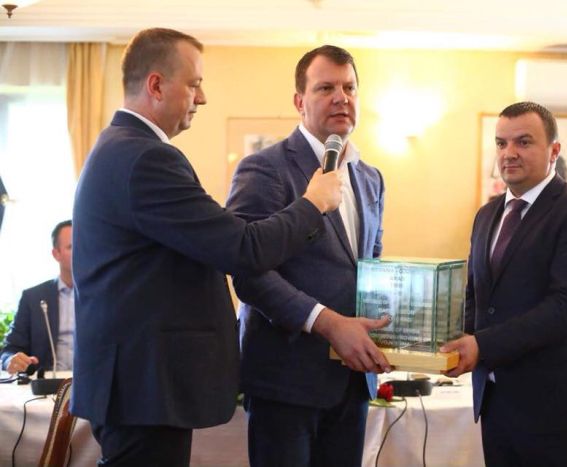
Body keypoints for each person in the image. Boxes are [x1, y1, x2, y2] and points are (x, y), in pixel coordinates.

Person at [71, 28, 342, 466]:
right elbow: (242, 248)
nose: (202, 97)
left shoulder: (121, 147)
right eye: (194, 84)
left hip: (139, 383)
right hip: (145, 386)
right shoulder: (146, 158)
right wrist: (313, 203)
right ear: (156, 85)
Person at [226, 45, 391, 467]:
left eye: (349, 88)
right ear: (299, 101)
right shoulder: (264, 169)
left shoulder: (371, 178)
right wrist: (328, 323)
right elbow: (248, 272)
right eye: (325, 88)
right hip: (286, 380)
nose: (341, 97)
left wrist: (396, 330)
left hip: (352, 379)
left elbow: (369, 268)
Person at [441, 102, 567, 467]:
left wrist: (481, 345)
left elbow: (566, 307)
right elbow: (476, 297)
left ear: (554, 150)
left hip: (557, 405)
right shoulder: (487, 214)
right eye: (501, 143)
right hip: (495, 400)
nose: (509, 153)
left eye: (523, 142)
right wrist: (448, 342)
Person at [1, 220, 73, 373]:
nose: (81, 252)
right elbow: (10, 350)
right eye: (71, 247)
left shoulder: (103, 296)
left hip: (92, 383)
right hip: (47, 382)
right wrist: (11, 361)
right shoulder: (33, 298)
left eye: (84, 245)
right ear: (56, 254)